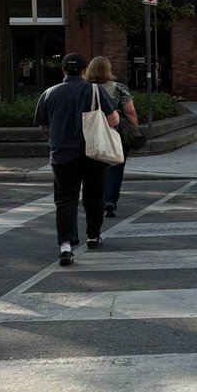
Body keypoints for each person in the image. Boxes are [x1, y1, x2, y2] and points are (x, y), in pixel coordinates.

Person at [33, 53, 119, 266]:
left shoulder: (49, 93)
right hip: (94, 153)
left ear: (63, 71)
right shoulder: (95, 90)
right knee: (94, 194)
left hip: (62, 155)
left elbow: (43, 125)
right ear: (84, 70)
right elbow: (113, 119)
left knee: (65, 199)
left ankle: (66, 245)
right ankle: (92, 235)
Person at [85, 55, 138, 218]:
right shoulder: (119, 88)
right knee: (115, 167)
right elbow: (130, 112)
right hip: (116, 132)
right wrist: (135, 129)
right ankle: (109, 201)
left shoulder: (83, 88)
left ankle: (94, 201)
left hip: (90, 133)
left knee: (92, 169)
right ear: (108, 69)